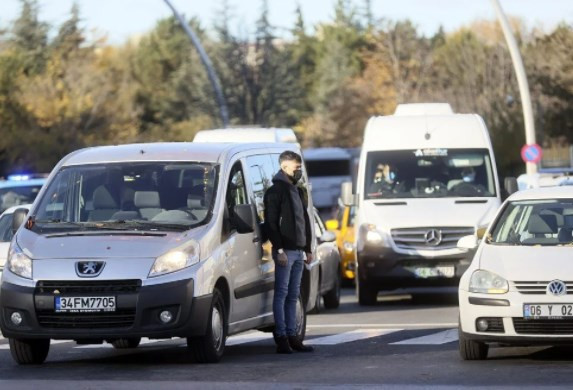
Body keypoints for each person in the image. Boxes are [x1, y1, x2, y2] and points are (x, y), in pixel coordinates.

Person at [264, 151, 314, 354]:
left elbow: (305, 220)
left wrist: (308, 248)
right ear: (284, 167)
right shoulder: (275, 191)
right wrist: (280, 249)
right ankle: (282, 337)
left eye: (300, 167)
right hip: (285, 252)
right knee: (282, 294)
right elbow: (271, 223)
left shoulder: (298, 190)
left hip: (299, 251)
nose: (299, 171)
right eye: (296, 167)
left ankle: (293, 336)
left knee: (293, 295)